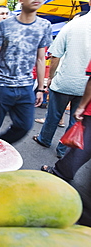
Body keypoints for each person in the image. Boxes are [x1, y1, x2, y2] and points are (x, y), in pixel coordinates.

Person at [0, 0, 52, 144]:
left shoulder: (44, 26)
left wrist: (40, 88)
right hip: (1, 86)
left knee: (25, 126)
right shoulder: (5, 25)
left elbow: (40, 59)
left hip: (26, 87)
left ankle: (0, 145)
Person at [32, 6, 91, 158]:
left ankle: (44, 139)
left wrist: (50, 77)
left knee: (53, 115)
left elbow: (55, 55)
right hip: (86, 85)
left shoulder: (72, 25)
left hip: (65, 80)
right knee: (75, 119)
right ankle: (64, 149)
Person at [41, 60, 91, 182]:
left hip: (65, 83)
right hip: (78, 87)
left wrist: (82, 107)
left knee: (83, 142)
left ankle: (62, 171)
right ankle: (62, 150)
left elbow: (55, 58)